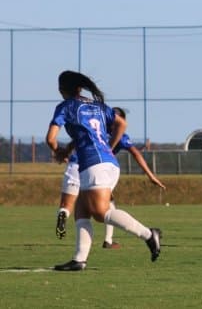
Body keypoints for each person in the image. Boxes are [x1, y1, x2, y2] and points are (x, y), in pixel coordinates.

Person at [46, 70, 161, 271]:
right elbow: (121, 123)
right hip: (105, 162)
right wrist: (109, 145)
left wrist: (57, 151)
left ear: (61, 89)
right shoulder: (97, 106)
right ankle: (79, 259)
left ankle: (149, 235)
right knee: (81, 209)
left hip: (93, 163)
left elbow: (50, 138)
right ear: (80, 88)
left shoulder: (66, 107)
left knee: (100, 213)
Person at [55, 107, 166, 249]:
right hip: (98, 169)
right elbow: (136, 153)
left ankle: (65, 218)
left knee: (72, 206)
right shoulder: (120, 135)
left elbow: (73, 142)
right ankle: (118, 239)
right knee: (104, 209)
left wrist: (64, 151)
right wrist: (151, 175)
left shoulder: (92, 130)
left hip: (75, 166)